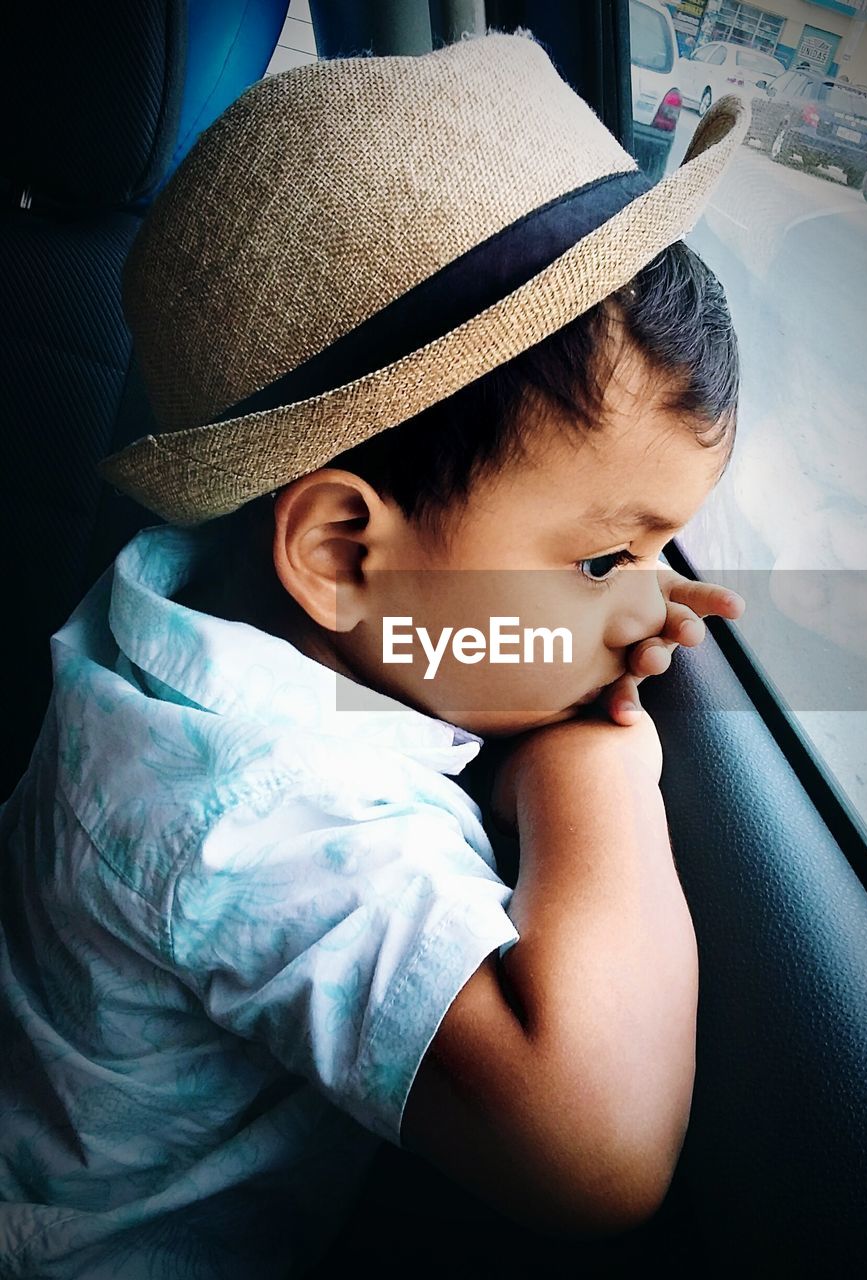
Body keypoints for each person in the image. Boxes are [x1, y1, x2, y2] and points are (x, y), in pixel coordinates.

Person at [0, 29, 748, 1279]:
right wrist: (593, 772)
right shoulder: (264, 802)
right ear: (342, 552)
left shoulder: (183, 602)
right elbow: (595, 1149)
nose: (651, 613)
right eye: (605, 561)